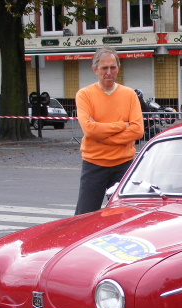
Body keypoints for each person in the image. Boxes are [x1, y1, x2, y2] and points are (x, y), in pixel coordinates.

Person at [75, 46, 144, 215]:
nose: (109, 72)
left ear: (118, 68)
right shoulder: (84, 95)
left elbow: (137, 130)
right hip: (94, 164)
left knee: (123, 217)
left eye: (113, 67)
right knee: (84, 217)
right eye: (104, 68)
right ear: (95, 69)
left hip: (124, 164)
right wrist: (122, 125)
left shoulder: (129, 95)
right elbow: (90, 130)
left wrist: (103, 137)